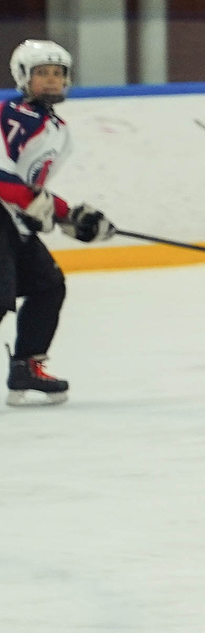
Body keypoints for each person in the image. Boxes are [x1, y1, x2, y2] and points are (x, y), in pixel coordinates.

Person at [2, 41, 115, 405]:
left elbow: (31, 189)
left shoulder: (57, 128)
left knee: (47, 284)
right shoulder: (8, 114)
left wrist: (71, 215)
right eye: (41, 73)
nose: (51, 80)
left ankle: (26, 367)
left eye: (57, 73)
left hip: (11, 218)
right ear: (23, 77)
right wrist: (38, 202)